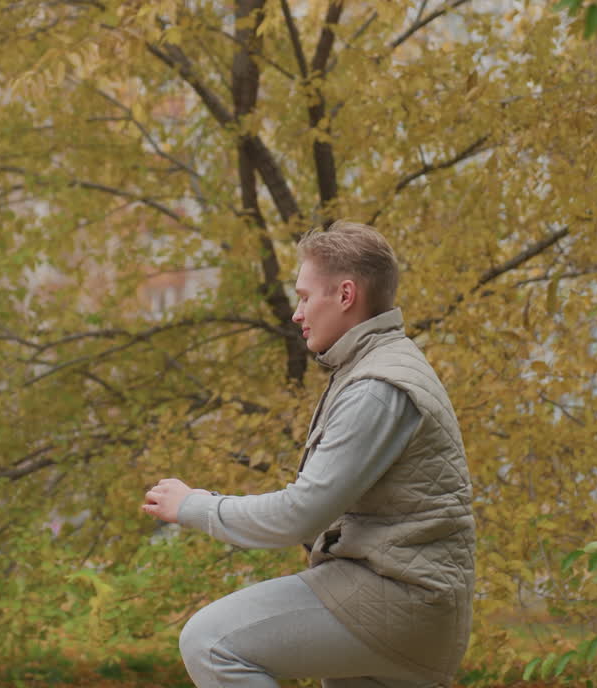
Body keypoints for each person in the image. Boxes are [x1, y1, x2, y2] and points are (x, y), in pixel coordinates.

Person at [143, 222, 476, 688]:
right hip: (403, 603)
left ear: (344, 295)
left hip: (397, 602)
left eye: (304, 296)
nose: (297, 314)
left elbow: (299, 515)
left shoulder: (377, 389)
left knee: (211, 641)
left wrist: (194, 505)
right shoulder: (372, 367)